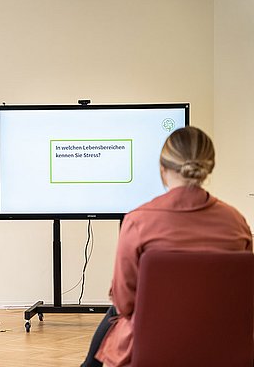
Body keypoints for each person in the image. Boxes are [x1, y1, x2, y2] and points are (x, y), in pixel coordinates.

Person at [81, 126, 252, 367]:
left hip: (153, 345)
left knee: (115, 314)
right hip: (224, 345)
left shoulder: (139, 220)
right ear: (207, 168)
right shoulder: (236, 223)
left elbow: (125, 302)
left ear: (163, 169)